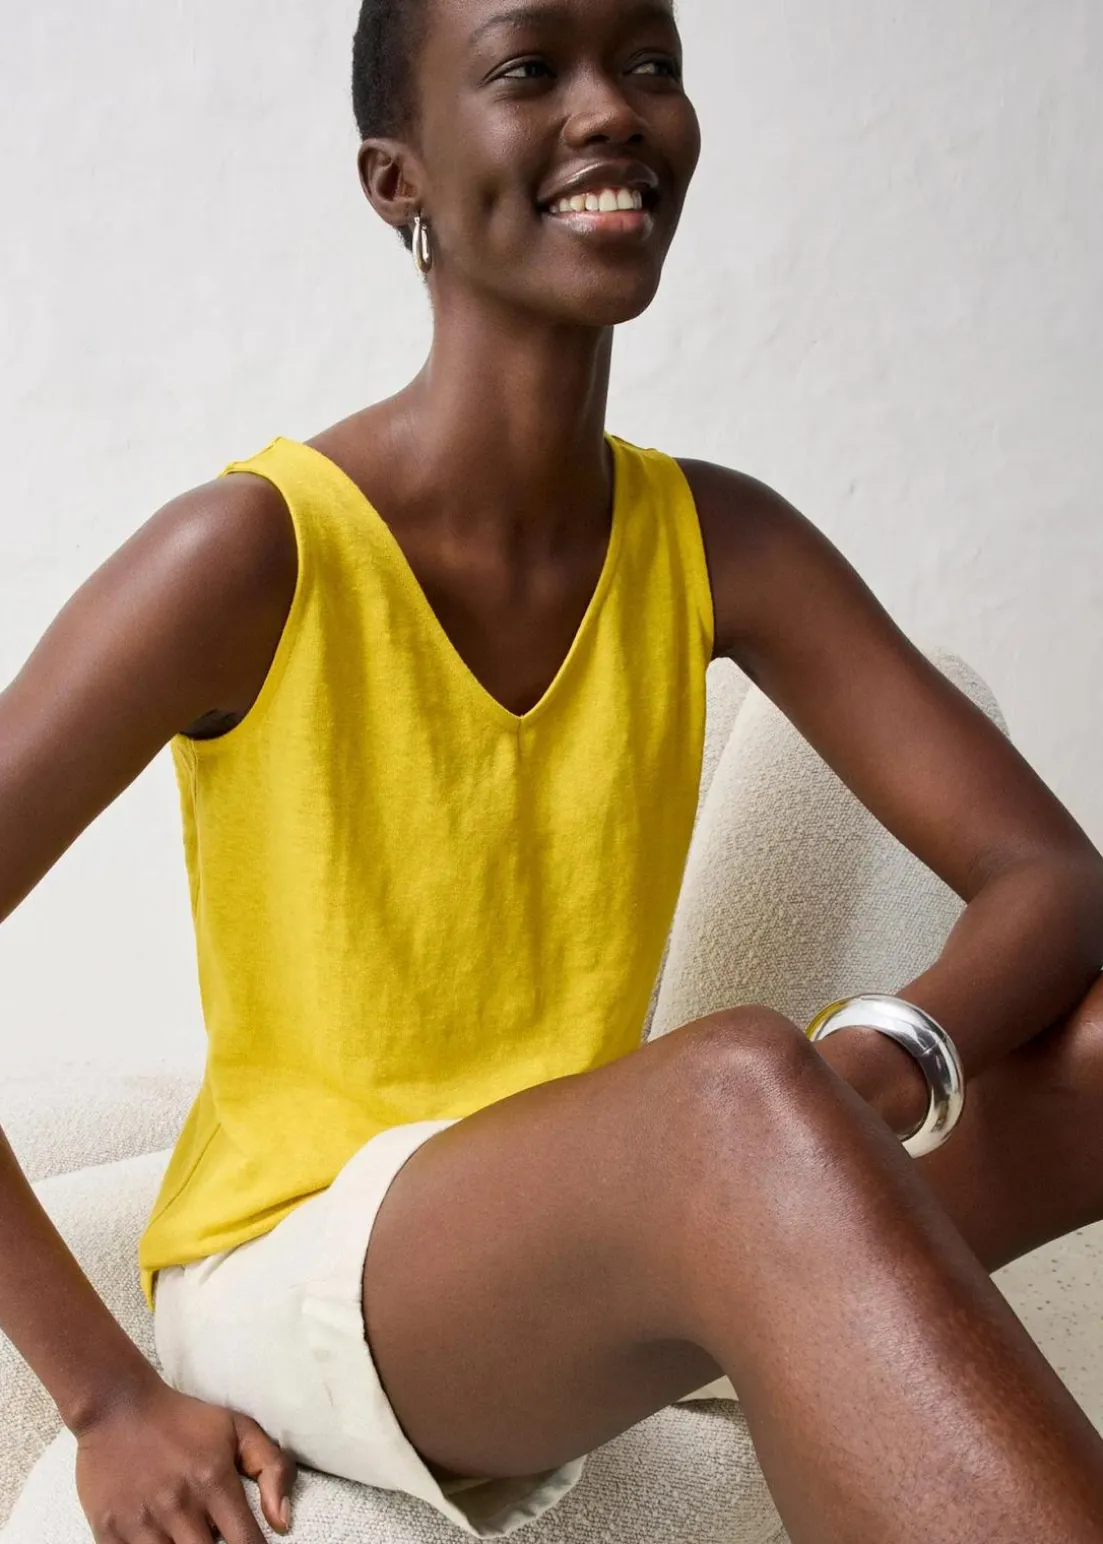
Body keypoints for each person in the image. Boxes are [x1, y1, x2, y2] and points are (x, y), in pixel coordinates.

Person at [3, 0, 1103, 1539]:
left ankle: (758, 1225)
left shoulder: (723, 541)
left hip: (615, 1233)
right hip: (301, 1263)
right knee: (735, 1087)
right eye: (531, 70)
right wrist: (109, 1399)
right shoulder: (251, 552)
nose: (612, 110)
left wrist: (876, 1061)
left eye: (649, 66)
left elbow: (1049, 876)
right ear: (396, 179)